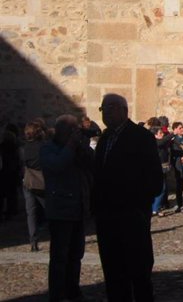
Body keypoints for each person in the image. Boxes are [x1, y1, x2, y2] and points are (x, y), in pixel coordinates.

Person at [93, 93, 162, 302]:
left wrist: (138, 206)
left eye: (111, 107)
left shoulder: (140, 137)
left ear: (124, 110)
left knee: (138, 273)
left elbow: (154, 179)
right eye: (103, 108)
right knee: (113, 275)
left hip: (131, 215)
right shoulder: (105, 138)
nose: (106, 112)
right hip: (107, 217)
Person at [40, 114, 94, 302]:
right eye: (72, 130)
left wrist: (80, 145)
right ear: (63, 130)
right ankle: (57, 294)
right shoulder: (48, 149)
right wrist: (71, 145)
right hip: (60, 209)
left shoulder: (77, 148)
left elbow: (91, 163)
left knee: (76, 254)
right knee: (59, 257)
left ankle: (73, 290)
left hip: (78, 208)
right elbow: (57, 166)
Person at [20, 121, 48, 251]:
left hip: (28, 181)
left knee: (31, 212)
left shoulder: (24, 148)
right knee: (48, 209)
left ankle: (33, 242)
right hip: (41, 182)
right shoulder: (43, 147)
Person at [151, 126, 173, 217]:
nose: (162, 134)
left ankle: (156, 208)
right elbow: (162, 141)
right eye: (160, 133)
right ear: (155, 135)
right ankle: (155, 208)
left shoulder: (162, 143)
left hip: (163, 168)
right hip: (156, 168)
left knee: (161, 188)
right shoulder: (155, 142)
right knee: (161, 188)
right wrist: (172, 134)